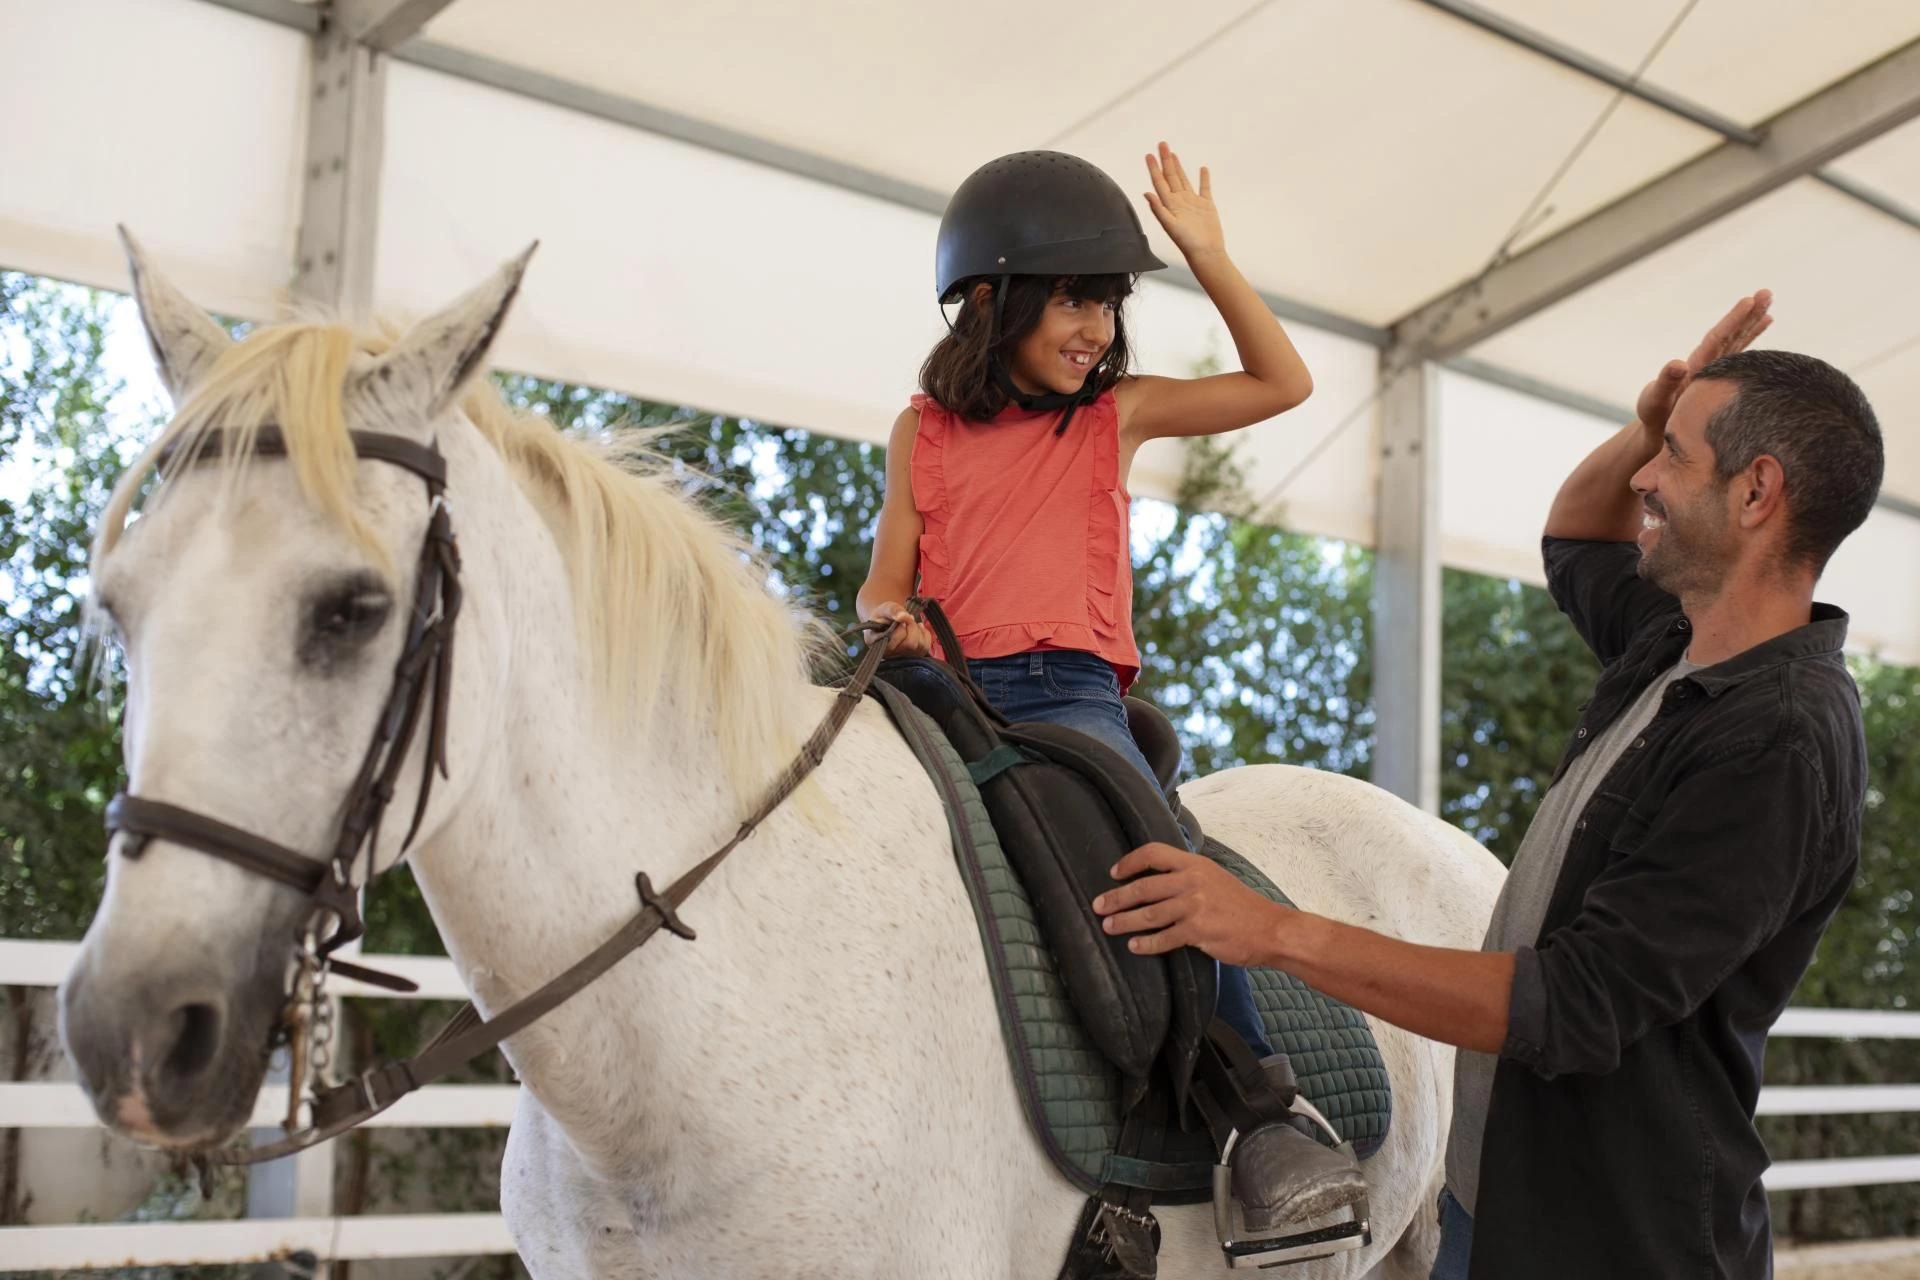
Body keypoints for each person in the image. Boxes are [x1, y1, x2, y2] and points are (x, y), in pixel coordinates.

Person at [1093, 291, 1882, 1279]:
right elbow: (1574, 538)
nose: (1642, 474)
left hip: (1615, 1243)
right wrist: (1652, 418)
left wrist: (1271, 929)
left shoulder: (1779, 740)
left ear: (1758, 491)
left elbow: (1573, 1000)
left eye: (1673, 455)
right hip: (1496, 1201)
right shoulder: (1678, 641)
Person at [855, 144, 1364, 1235]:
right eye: (1075, 301)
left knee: (1157, 854)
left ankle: (1255, 1107)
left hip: (1064, 690)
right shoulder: (922, 432)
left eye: (1108, 304)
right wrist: (884, 622)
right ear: (993, 302)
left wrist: (1211, 256)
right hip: (940, 686)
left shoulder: (1111, 416)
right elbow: (884, 579)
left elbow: (1285, 382)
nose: (1097, 328)